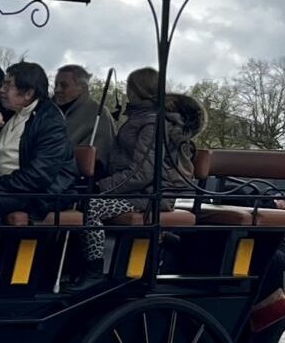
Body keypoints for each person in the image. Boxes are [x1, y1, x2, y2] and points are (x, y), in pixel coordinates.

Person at [0, 62, 73, 301]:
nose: (1, 89)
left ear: (28, 93)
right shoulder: (12, 115)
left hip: (44, 192)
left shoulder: (49, 120)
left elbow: (40, 174)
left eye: (8, 85)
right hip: (13, 187)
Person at [79, 70, 200, 283]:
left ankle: (94, 271)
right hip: (137, 191)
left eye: (129, 87)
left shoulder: (151, 124)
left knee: (91, 207)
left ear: (137, 90)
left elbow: (142, 173)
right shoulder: (142, 118)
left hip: (150, 195)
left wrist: (101, 186)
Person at [52, 65, 116, 157]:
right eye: (56, 85)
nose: (57, 90)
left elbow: (103, 156)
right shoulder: (47, 112)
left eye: (64, 85)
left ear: (82, 88)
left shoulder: (99, 114)